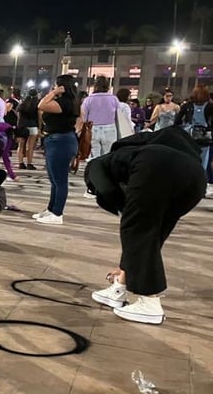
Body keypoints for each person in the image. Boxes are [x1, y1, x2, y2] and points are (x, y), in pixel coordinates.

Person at [86, 128, 205, 324]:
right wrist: (127, 265)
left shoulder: (96, 164)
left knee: (136, 229)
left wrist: (125, 210)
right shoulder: (142, 150)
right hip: (196, 178)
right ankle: (120, 286)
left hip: (155, 168)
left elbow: (107, 189)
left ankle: (150, 302)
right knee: (152, 232)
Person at [35, 74, 80, 225]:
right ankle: (51, 209)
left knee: (60, 180)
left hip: (61, 141)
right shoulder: (69, 102)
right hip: (56, 140)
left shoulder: (65, 102)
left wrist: (53, 93)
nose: (53, 88)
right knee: (54, 179)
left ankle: (57, 213)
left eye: (55, 85)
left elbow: (41, 105)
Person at [81, 76, 119, 159]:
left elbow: (84, 117)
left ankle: (94, 169)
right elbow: (118, 116)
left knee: (94, 153)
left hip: (93, 128)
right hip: (110, 128)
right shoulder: (114, 99)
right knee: (109, 153)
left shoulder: (88, 99)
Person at [16, 88, 39, 170]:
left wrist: (18, 126)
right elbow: (39, 118)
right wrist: (39, 128)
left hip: (22, 126)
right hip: (33, 127)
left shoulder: (22, 105)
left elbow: (18, 117)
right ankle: (29, 164)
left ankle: (20, 163)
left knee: (21, 146)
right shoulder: (37, 104)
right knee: (30, 146)